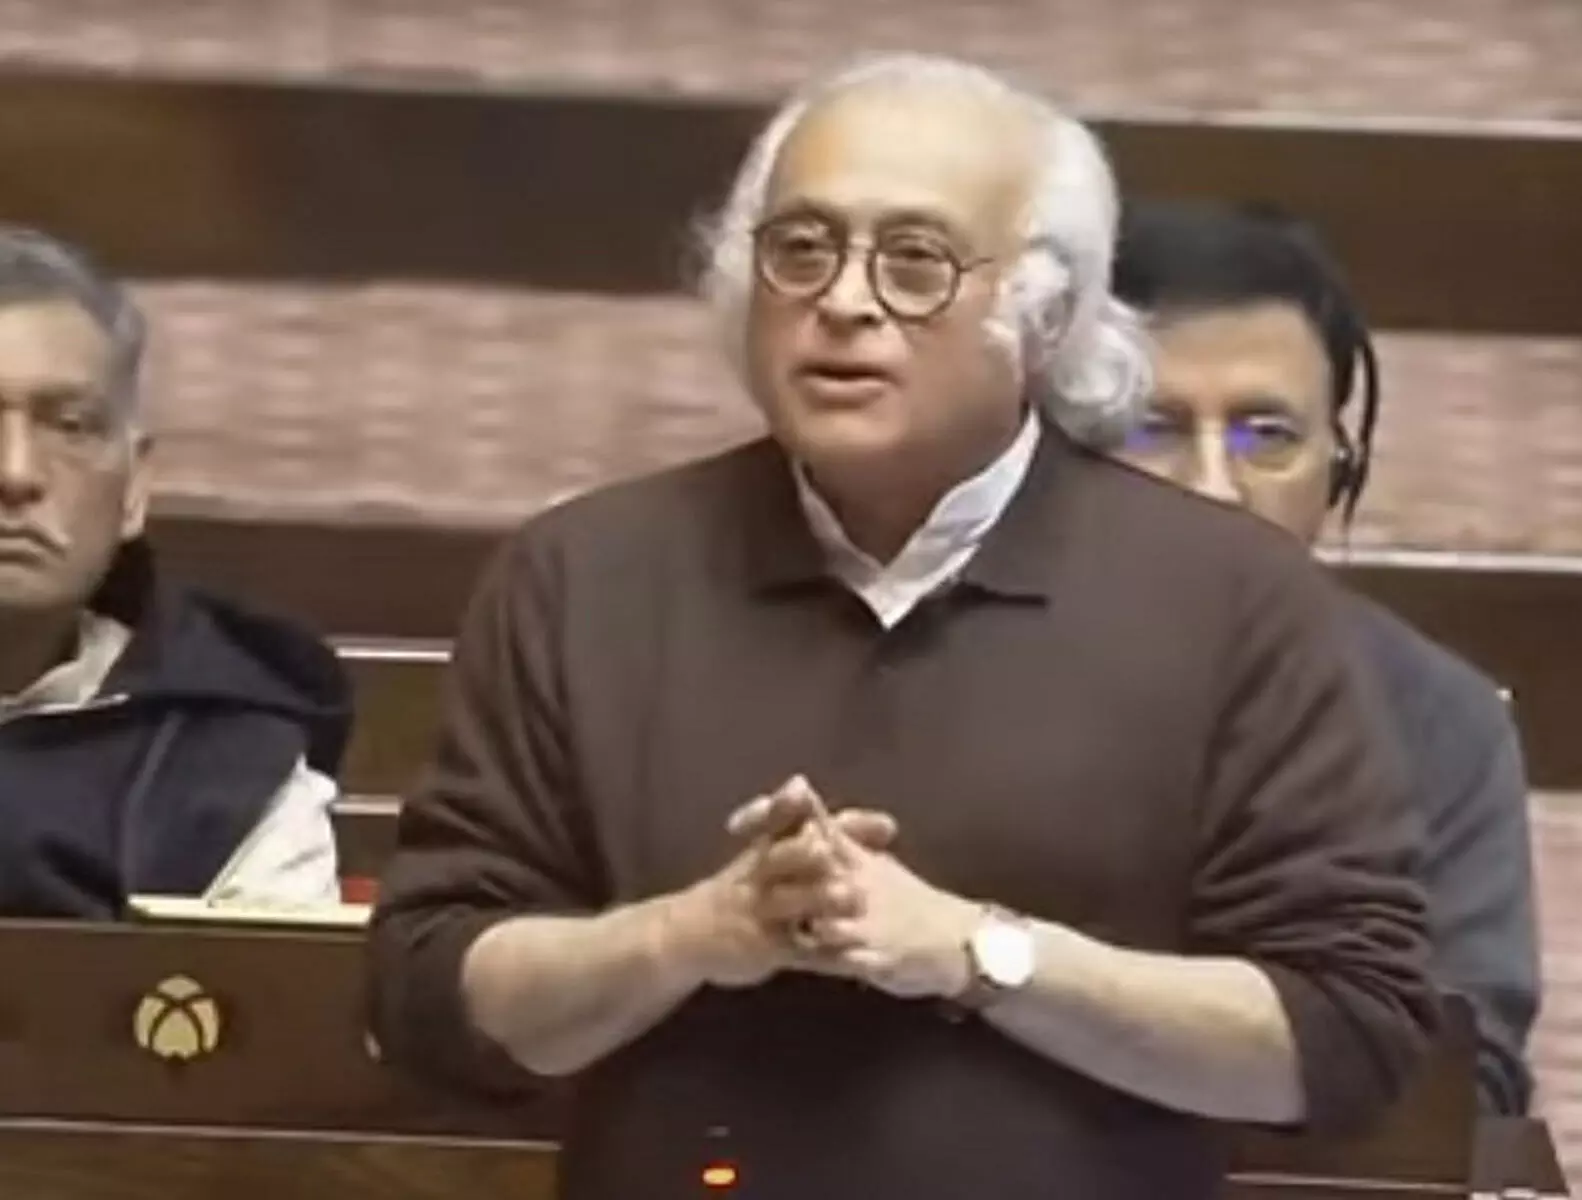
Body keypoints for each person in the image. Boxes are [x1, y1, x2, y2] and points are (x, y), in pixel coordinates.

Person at [368, 56, 1436, 1200]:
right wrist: (692, 935)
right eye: (801, 248)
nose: (842, 300)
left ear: (1044, 312)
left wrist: (975, 953)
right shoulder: (583, 576)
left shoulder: (1234, 597)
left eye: (914, 260)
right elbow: (427, 996)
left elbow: (1347, 1034)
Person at [1110, 199, 1541, 1116]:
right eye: (1152, 428)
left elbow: (1471, 1076)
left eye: (1265, 435)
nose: (1215, 487)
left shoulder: (1439, 716)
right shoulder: (955, 653)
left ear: (1340, 464)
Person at [0, 226, 351, 918]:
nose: (15, 472)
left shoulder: (226, 755)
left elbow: (272, 985)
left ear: (135, 488)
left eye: (70, 426)